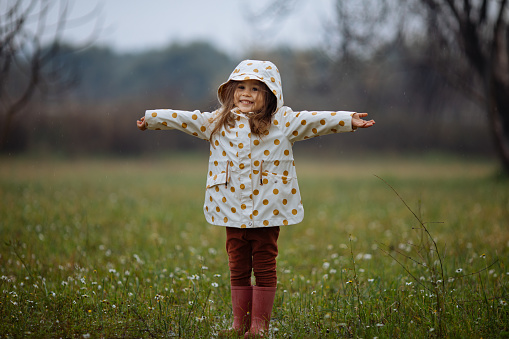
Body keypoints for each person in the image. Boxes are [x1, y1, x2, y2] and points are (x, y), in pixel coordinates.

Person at [137, 59, 375, 337]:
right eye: (240, 87)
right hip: (230, 209)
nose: (246, 94)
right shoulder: (217, 122)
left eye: (255, 89)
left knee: (263, 264)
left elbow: (314, 121)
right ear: (231, 91)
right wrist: (152, 119)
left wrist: (348, 120)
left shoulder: (282, 122)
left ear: (270, 94)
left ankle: (259, 327)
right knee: (237, 265)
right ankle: (240, 324)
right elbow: (187, 119)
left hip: (268, 210)